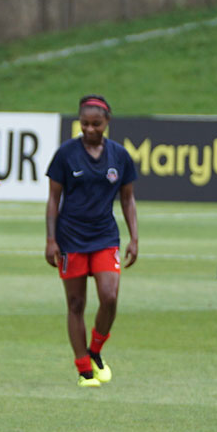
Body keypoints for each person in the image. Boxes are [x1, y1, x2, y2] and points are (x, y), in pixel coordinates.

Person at [46, 95, 139, 388]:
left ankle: (96, 350)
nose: (88, 129)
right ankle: (84, 369)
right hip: (70, 238)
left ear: (107, 122)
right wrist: (50, 239)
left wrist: (135, 238)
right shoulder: (65, 154)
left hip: (104, 236)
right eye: (84, 124)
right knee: (76, 303)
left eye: (95, 124)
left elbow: (128, 199)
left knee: (109, 297)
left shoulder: (120, 156)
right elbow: (53, 200)